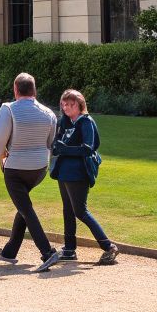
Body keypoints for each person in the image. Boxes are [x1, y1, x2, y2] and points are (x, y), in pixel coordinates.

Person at [0, 72, 63, 272]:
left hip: (15, 167)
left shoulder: (8, 109)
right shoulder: (49, 113)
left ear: (15, 89)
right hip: (39, 169)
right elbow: (50, 142)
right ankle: (10, 251)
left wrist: (2, 158)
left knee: (26, 209)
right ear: (34, 90)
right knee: (23, 205)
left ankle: (47, 252)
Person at [51, 89, 118, 266]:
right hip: (64, 171)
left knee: (80, 211)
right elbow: (58, 143)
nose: (66, 107)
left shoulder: (86, 122)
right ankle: (69, 249)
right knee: (67, 210)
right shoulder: (65, 122)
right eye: (64, 104)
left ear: (80, 105)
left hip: (78, 172)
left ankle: (109, 246)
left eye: (71, 104)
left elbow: (88, 148)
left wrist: (65, 149)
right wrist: (57, 146)